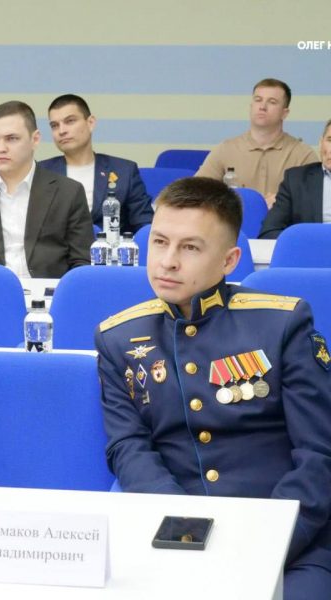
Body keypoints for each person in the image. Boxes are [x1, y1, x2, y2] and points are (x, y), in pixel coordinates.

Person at [95, 176, 331, 598]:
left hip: (288, 544)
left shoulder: (281, 324)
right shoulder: (118, 338)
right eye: (159, 242)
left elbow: (319, 454)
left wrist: (267, 543)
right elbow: (127, 447)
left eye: (190, 248)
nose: (168, 261)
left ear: (229, 260)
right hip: (169, 538)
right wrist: (181, 530)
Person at [0, 100, 94, 278]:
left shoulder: (68, 192)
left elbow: (82, 264)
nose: (1, 148)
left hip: (49, 292)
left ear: (35, 139)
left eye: (12, 138)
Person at [39, 94, 153, 233]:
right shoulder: (40, 172)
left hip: (111, 246)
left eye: (70, 121)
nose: (62, 131)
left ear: (90, 123)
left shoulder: (125, 171)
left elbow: (145, 226)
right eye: (54, 125)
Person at [196, 78, 318, 208]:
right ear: (251, 107)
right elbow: (195, 192)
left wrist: (285, 201)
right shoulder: (225, 149)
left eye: (272, 102)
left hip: (284, 220)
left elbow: (319, 200)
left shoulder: (303, 154)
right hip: (237, 220)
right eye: (258, 100)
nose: (262, 107)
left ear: (284, 113)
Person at [259, 118, 331, 238]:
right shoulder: (295, 180)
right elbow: (269, 231)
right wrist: (302, 243)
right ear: (321, 142)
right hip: (309, 247)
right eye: (330, 140)